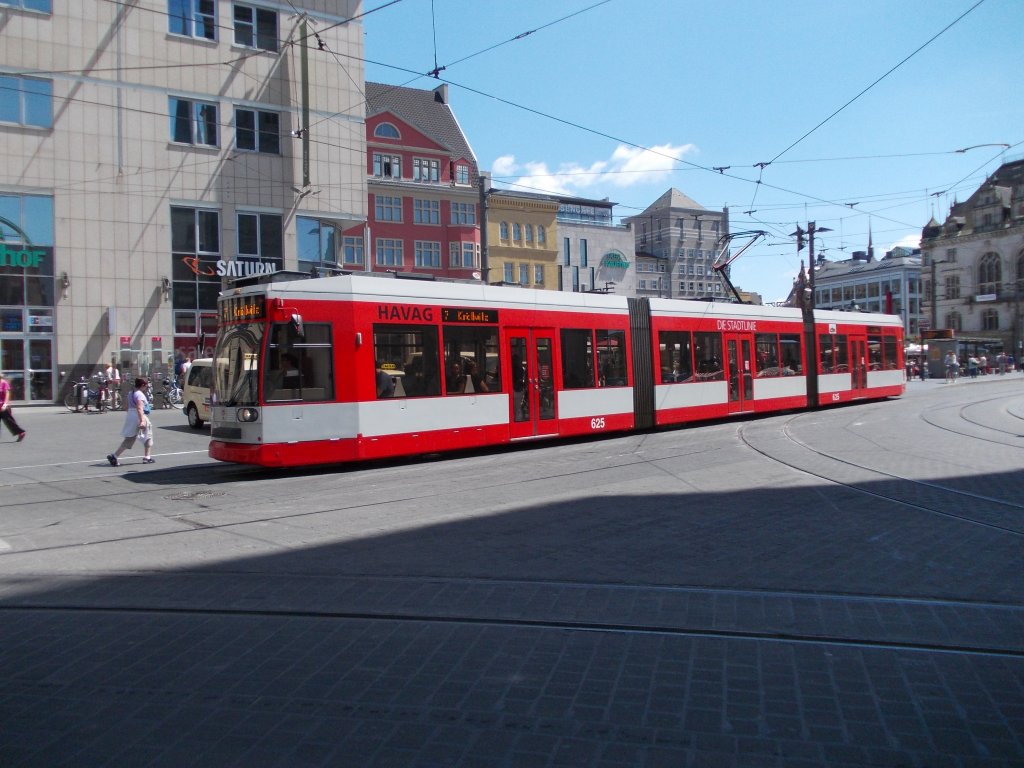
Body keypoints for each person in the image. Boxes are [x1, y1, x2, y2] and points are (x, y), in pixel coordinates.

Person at [107, 377, 154, 466]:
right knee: (148, 436)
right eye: (146, 385)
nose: (147, 387)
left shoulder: (130, 393)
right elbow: (140, 408)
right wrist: (142, 420)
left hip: (131, 415)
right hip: (139, 415)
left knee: (130, 438)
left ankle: (114, 456)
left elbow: (126, 407)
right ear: (143, 385)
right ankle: (147, 457)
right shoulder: (139, 394)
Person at [0, 372, 26, 442]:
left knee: (9, 422)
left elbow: (7, 394)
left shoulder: (4, 383)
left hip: (3, 407)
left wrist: (5, 404)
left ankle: (21, 433)